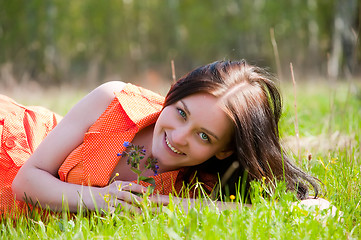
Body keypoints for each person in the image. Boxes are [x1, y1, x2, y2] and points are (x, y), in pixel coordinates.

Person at [2, 60, 321, 215]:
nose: (178, 137)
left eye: (204, 136)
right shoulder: (114, 101)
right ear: (172, 94)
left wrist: (293, 210)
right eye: (182, 113)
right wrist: (100, 200)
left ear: (224, 151)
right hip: (13, 147)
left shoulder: (200, 188)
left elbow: (247, 212)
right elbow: (25, 180)